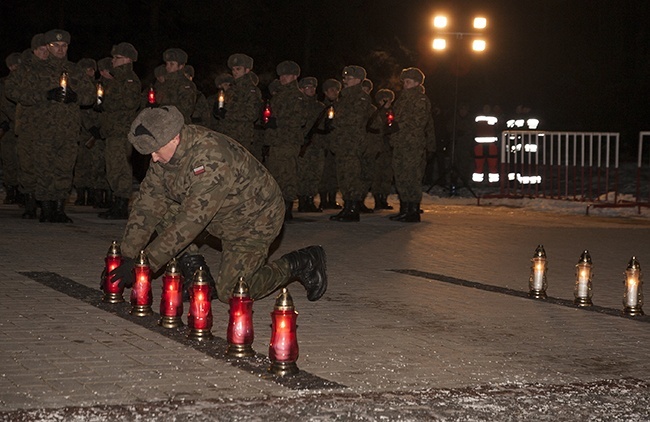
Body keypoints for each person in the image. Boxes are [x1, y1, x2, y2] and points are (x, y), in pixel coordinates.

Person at [104, 105, 327, 305]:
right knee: (162, 211)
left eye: (155, 151)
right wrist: (126, 256)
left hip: (254, 220)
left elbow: (190, 223)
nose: (153, 158)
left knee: (232, 292)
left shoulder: (211, 158)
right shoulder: (165, 154)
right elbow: (147, 204)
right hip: (217, 216)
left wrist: (145, 264)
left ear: (174, 138)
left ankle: (300, 262)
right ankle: (198, 277)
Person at [5, 29, 95, 223]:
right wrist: (42, 96)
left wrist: (76, 97)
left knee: (64, 168)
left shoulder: (75, 70)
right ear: (48, 47)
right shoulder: (33, 69)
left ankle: (59, 209)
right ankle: (46, 209)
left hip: (69, 130)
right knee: (45, 169)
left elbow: (91, 95)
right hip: (42, 131)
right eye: (55, 46)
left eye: (64, 46)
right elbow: (12, 90)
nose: (60, 49)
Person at [95, 42, 142, 220]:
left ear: (128, 60)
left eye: (117, 58)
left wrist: (106, 103)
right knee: (114, 167)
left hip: (122, 131)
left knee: (120, 168)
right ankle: (117, 203)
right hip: (114, 130)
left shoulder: (128, 79)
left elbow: (130, 103)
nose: (113, 60)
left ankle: (121, 205)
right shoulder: (117, 79)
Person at [9, 34, 49, 219]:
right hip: (27, 126)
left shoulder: (53, 69)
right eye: (41, 49)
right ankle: (30, 204)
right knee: (27, 165)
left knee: (46, 165)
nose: (45, 53)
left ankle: (46, 203)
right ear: (34, 50)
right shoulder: (23, 70)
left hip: (49, 127)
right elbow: (11, 91)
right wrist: (37, 97)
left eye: (47, 49)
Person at [263, 60, 309, 221]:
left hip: (288, 141)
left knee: (287, 173)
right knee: (276, 173)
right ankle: (278, 208)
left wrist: (278, 122)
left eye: (287, 75)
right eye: (281, 75)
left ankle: (287, 208)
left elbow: (299, 119)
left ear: (295, 76)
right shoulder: (280, 95)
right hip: (277, 140)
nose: (283, 78)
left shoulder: (296, 97)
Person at [329, 65, 374, 222]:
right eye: (344, 78)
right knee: (344, 176)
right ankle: (347, 206)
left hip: (352, 143)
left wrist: (338, 120)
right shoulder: (345, 98)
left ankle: (353, 208)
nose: (345, 81)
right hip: (343, 143)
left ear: (357, 80)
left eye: (348, 78)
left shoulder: (360, 97)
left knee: (351, 175)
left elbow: (354, 119)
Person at [388, 67, 431, 223]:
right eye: (404, 82)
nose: (405, 84)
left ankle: (413, 211)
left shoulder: (420, 99)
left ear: (417, 83)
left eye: (408, 82)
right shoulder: (402, 100)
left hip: (412, 144)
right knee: (401, 176)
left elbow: (419, 121)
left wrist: (400, 125)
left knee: (411, 176)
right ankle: (404, 208)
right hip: (400, 143)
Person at [212, 53, 262, 159]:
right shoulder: (232, 89)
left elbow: (251, 115)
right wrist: (219, 110)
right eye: (233, 69)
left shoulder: (251, 90)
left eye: (238, 69)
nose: (235, 72)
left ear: (247, 70)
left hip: (241, 136)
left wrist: (227, 114)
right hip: (226, 133)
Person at [296, 76, 326, 212]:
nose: (311, 89)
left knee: (315, 173)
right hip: (303, 145)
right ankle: (302, 201)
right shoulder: (298, 104)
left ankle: (310, 199)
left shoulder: (320, 107)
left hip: (317, 145)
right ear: (301, 89)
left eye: (313, 87)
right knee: (302, 173)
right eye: (308, 87)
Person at [1, 53, 22, 205]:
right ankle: (10, 190)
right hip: (8, 127)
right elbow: (5, 106)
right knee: (9, 160)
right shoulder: (4, 84)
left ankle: (22, 191)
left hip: (23, 127)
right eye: (15, 65)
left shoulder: (25, 82)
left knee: (23, 160)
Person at [318, 78, 342, 210]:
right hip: (324, 144)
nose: (334, 92)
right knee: (323, 173)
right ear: (326, 92)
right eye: (331, 90)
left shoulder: (341, 106)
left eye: (336, 90)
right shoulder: (321, 106)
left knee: (334, 173)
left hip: (337, 144)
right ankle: (323, 199)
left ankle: (332, 199)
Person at [156, 48, 197, 124]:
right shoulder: (164, 83)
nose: (167, 67)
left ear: (181, 66)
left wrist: (165, 110)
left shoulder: (186, 84)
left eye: (171, 64)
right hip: (162, 124)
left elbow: (186, 109)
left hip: (179, 124)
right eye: (167, 63)